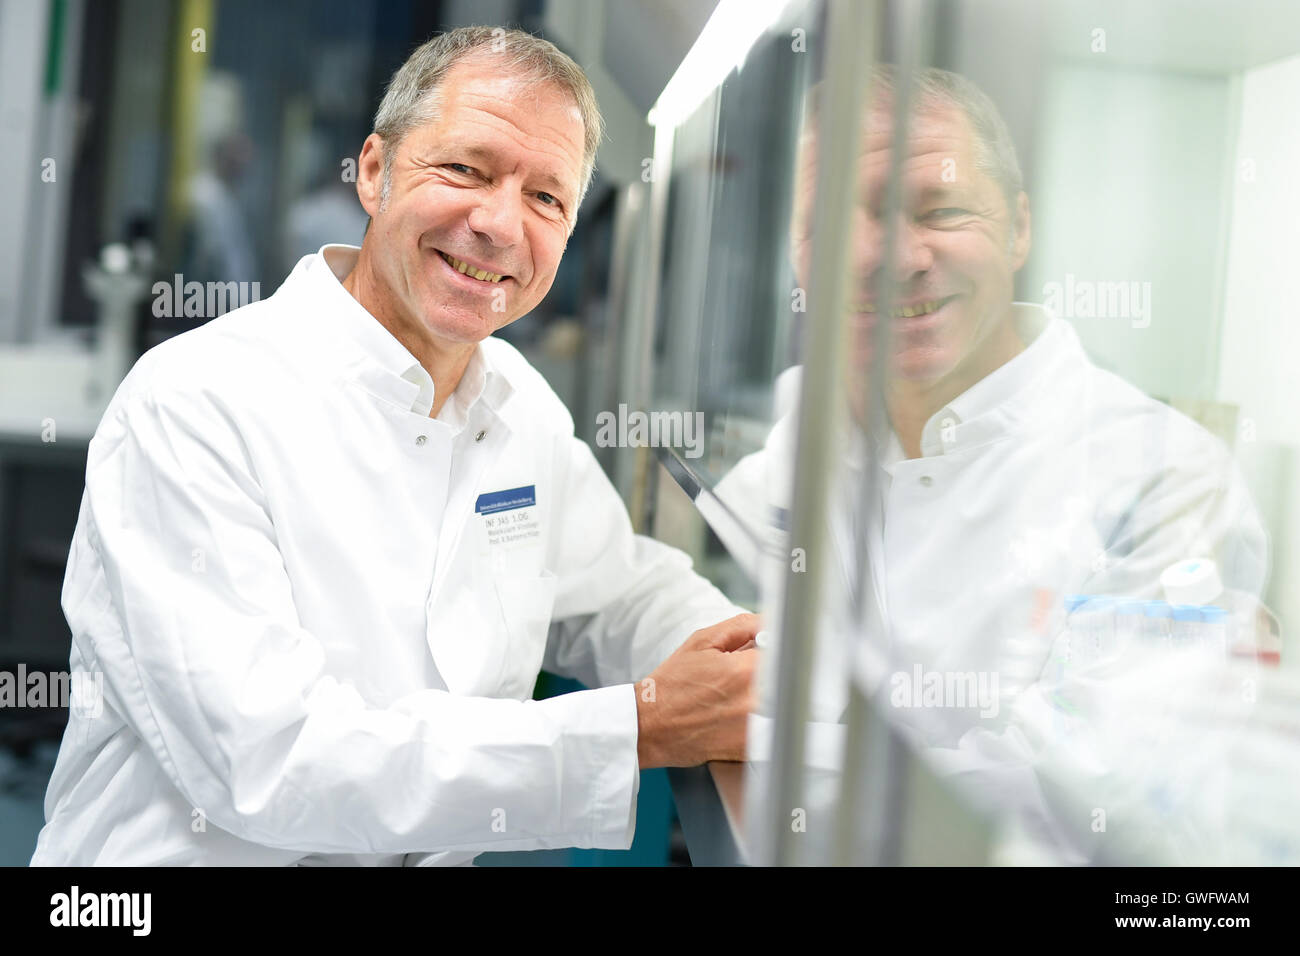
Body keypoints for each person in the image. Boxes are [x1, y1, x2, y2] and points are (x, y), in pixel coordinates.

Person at [32, 26, 758, 866]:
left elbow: (618, 591)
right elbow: (272, 760)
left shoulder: (518, 402)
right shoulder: (195, 402)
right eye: (466, 169)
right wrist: (632, 726)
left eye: (546, 198)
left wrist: (756, 658)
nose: (498, 224)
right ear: (373, 171)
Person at [716, 66, 1269, 861]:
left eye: (940, 211)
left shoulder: (1167, 478)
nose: (892, 257)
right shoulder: (806, 419)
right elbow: (726, 596)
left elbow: (1076, 788)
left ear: (1018, 228)